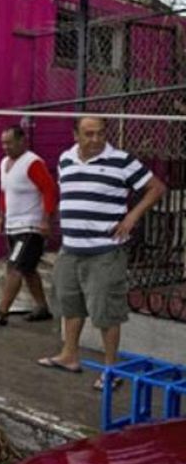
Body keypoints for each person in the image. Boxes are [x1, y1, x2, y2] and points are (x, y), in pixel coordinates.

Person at [37, 116, 166, 390]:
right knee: (70, 305)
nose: (96, 139)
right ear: (76, 135)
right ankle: (69, 355)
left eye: (100, 133)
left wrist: (132, 217)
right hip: (70, 249)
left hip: (105, 252)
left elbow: (156, 188)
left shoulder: (121, 160)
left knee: (106, 312)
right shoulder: (65, 159)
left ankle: (111, 369)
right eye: (89, 134)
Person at [0, 125, 56, 325]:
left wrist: (46, 220)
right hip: (13, 224)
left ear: (22, 141)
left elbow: (49, 190)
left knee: (14, 267)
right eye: (3, 143)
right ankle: (42, 307)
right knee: (28, 268)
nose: (5, 147)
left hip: (30, 226)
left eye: (9, 142)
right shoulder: (4, 163)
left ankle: (1, 310)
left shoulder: (33, 162)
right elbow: (5, 192)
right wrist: (1, 216)